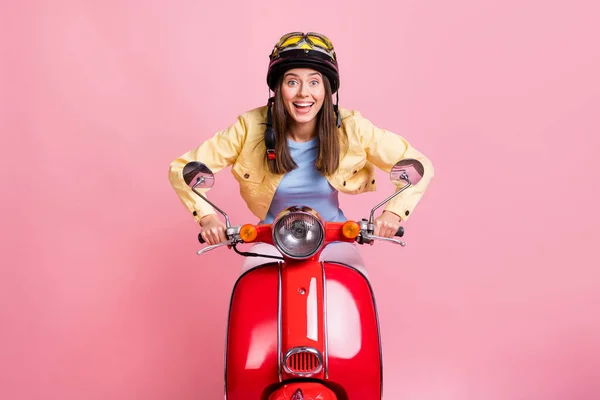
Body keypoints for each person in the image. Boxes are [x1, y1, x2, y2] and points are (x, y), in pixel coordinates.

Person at [168, 32, 434, 275]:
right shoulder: (249, 128)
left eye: (314, 82)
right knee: (249, 292)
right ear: (278, 89)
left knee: (353, 291)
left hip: (335, 239)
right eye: (292, 81)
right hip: (269, 240)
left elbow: (419, 165)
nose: (304, 93)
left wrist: (393, 214)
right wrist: (208, 218)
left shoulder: (353, 128)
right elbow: (184, 169)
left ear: (327, 90)